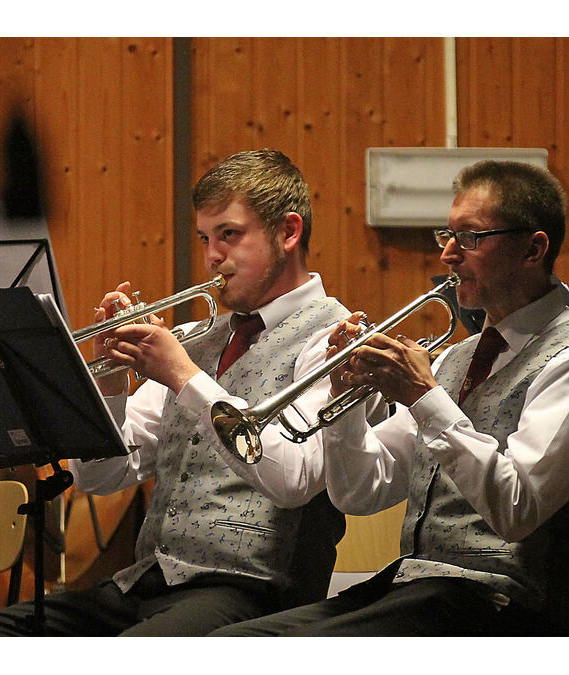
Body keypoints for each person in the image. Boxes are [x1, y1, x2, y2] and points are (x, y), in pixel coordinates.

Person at [0, 149, 373, 637]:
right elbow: (100, 478)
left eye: (229, 235)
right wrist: (112, 385)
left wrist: (183, 376)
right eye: (205, 239)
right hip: (145, 583)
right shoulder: (197, 338)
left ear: (288, 232)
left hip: (255, 593)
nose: (212, 256)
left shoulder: (337, 342)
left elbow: (295, 480)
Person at [212, 159, 569, 636]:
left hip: (501, 604)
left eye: (469, 238)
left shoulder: (562, 357)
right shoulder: (456, 358)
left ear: (533, 249)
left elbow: (518, 508)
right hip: (417, 587)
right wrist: (343, 402)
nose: (448, 254)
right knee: (230, 644)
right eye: (446, 235)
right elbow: (362, 492)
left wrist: (423, 395)